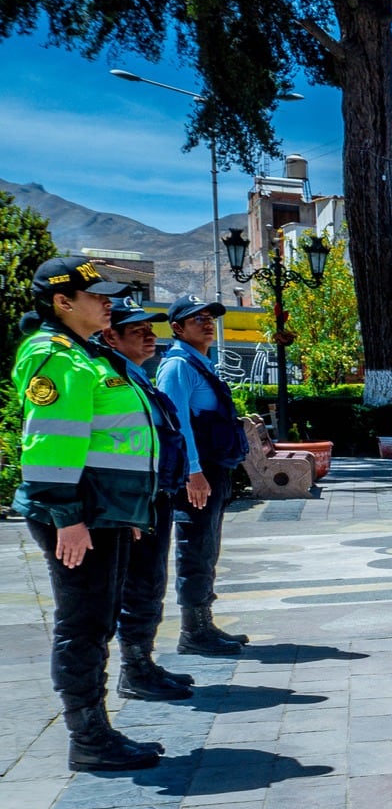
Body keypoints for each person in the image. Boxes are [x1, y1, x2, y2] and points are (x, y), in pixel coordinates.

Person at [11, 259, 164, 772]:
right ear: (62, 302)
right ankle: (89, 738)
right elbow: (51, 444)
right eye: (97, 296)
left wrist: (129, 510)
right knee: (82, 623)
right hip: (79, 513)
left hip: (103, 509)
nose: (108, 304)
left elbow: (112, 440)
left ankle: (97, 730)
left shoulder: (87, 354)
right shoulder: (57, 359)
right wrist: (66, 517)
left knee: (98, 619)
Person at [102, 299, 196, 702]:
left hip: (153, 497)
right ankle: (134, 671)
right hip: (132, 503)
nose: (149, 336)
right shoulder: (111, 379)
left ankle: (143, 662)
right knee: (137, 586)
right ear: (111, 336)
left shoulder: (136, 377)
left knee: (150, 584)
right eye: (137, 330)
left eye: (150, 328)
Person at [152, 296, 249, 657]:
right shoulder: (178, 366)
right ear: (177, 328)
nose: (207, 323)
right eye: (197, 319)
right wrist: (193, 471)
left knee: (207, 547)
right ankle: (193, 631)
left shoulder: (200, 362)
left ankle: (203, 622)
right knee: (195, 548)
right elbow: (178, 426)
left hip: (211, 470)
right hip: (198, 472)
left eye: (209, 317)